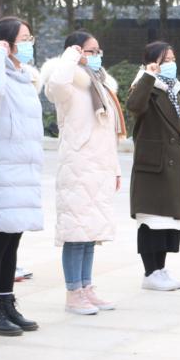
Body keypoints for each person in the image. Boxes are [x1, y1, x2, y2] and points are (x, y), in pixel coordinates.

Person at [41, 31, 124, 315]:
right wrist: (69, 58)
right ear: (74, 53)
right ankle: (73, 292)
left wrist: (115, 170)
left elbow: (110, 134)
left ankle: (87, 287)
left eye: (98, 50)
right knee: (75, 233)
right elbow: (56, 85)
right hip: (77, 167)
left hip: (99, 168)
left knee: (90, 234)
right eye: (89, 50)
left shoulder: (100, 85)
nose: (96, 55)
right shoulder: (67, 83)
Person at [0, 17, 43, 335]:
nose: (29, 44)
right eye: (24, 38)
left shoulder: (24, 75)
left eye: (31, 38)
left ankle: (7, 302)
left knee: (12, 240)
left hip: (23, 168)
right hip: (1, 168)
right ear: (6, 42)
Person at [126, 41, 180, 291]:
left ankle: (160, 270)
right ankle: (150, 272)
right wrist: (148, 76)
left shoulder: (172, 90)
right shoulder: (145, 86)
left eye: (173, 59)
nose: (171, 64)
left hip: (171, 166)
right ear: (152, 63)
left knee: (167, 223)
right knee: (151, 221)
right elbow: (134, 106)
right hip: (153, 166)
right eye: (166, 60)